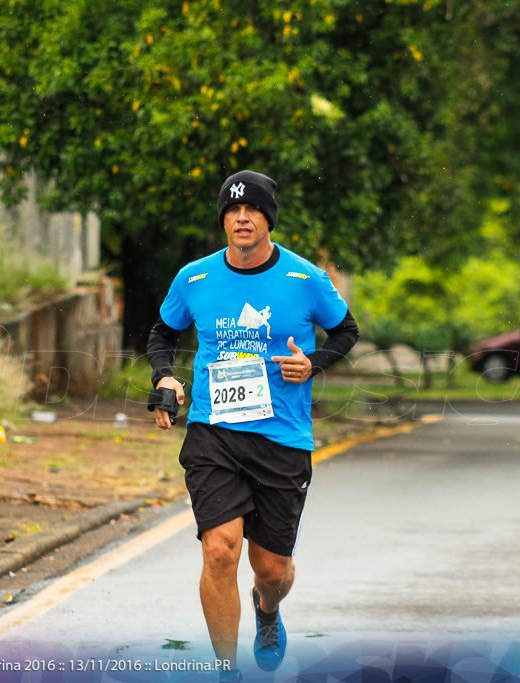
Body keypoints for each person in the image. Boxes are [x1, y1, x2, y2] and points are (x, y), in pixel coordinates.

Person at [147, 170, 359, 680]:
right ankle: (227, 669)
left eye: (253, 210)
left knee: (271, 570)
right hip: (213, 433)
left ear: (268, 219)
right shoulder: (194, 277)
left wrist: (313, 364)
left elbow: (346, 331)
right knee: (220, 550)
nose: (242, 218)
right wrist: (167, 377)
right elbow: (163, 332)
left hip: (281, 437)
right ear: (223, 220)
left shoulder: (304, 278)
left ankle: (268, 609)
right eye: (232, 210)